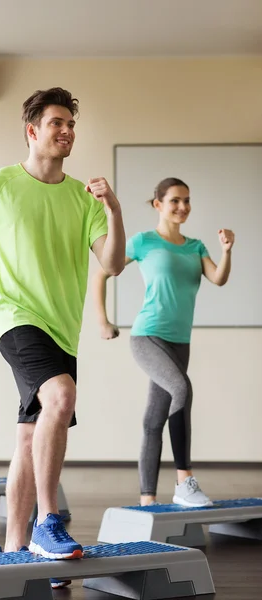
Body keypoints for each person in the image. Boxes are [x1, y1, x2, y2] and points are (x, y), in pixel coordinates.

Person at [0, 87, 126, 576]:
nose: (66, 131)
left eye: (71, 124)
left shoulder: (81, 198)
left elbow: (112, 263)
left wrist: (113, 209)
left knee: (29, 436)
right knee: (61, 397)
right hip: (15, 318)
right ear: (32, 130)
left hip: (62, 330)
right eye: (56, 123)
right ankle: (49, 520)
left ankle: (13, 546)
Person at [93, 177, 234, 508]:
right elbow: (102, 272)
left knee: (153, 420)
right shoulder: (143, 241)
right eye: (175, 201)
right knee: (181, 389)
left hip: (179, 342)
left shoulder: (196, 246)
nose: (182, 207)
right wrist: (102, 321)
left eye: (187, 200)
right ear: (158, 204)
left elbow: (218, 278)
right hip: (148, 335)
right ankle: (184, 481)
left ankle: (148, 502)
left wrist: (226, 252)